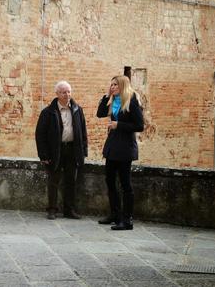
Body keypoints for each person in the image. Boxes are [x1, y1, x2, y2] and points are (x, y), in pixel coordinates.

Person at [96, 75, 144, 230]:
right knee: (110, 181)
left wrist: (119, 125)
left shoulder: (132, 101)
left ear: (122, 85)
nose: (113, 87)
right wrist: (106, 95)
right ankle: (115, 214)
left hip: (125, 148)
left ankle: (127, 220)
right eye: (111, 85)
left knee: (125, 184)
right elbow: (100, 113)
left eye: (115, 85)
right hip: (112, 146)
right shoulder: (113, 101)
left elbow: (139, 125)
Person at [35, 81, 88, 220]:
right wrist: (43, 155)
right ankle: (52, 210)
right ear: (57, 94)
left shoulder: (77, 110)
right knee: (53, 181)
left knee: (71, 181)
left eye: (69, 91)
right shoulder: (48, 112)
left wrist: (84, 152)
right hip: (55, 151)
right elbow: (40, 135)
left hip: (72, 150)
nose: (67, 94)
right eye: (64, 92)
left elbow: (83, 132)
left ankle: (69, 210)